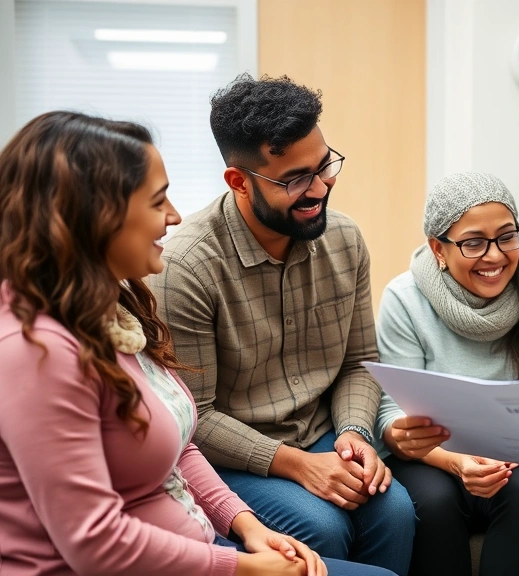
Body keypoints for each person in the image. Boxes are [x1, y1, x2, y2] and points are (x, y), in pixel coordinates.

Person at [0, 111, 396, 576]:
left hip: (199, 544)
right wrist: (242, 566)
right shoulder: (34, 351)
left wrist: (247, 526)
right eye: (157, 201)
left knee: (394, 514)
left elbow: (179, 444)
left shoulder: (114, 308)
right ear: (96, 218)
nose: (173, 216)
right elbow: (95, 544)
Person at [148, 74, 414, 575]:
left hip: (322, 435)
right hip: (231, 458)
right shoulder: (186, 268)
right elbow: (194, 418)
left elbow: (360, 362)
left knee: (395, 512)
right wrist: (298, 465)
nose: (320, 188)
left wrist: (355, 432)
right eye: (295, 179)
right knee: (323, 525)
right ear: (238, 181)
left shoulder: (345, 240)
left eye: (324, 165)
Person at [373, 172, 519, 576]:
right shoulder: (404, 299)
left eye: (506, 236)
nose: (495, 256)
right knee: (432, 502)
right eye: (473, 243)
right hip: (434, 461)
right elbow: (391, 415)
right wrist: (454, 462)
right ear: (439, 249)